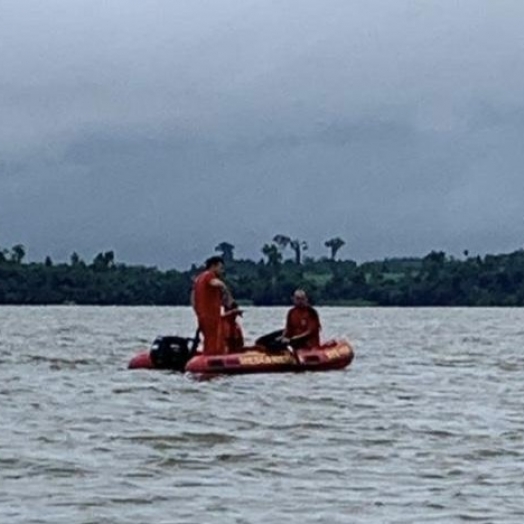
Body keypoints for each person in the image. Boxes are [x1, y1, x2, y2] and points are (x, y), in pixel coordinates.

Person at [191, 256, 232, 355]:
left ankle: (207, 353)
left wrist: (197, 311)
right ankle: (212, 355)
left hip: (202, 316)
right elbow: (214, 283)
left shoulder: (198, 279)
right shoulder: (209, 275)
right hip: (211, 316)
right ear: (213, 266)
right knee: (214, 340)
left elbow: (192, 297)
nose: (222, 271)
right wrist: (224, 287)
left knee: (208, 340)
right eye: (220, 268)